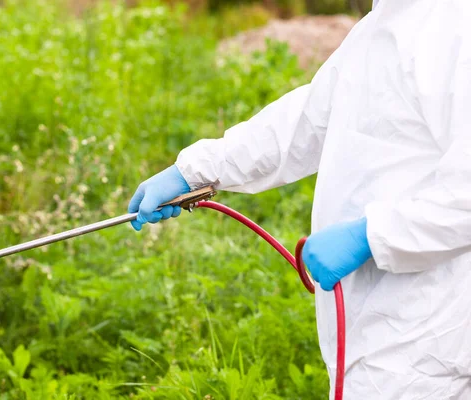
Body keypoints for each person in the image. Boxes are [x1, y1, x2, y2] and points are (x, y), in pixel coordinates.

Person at [128, 0, 471, 398]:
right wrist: (196, 171)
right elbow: (305, 122)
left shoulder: (453, 28)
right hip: (375, 330)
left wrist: (373, 236)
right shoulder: (382, 26)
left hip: (426, 336)